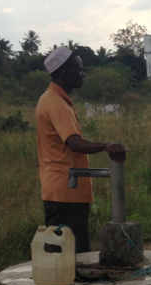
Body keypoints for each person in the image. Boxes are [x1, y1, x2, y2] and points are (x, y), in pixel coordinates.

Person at [36, 47, 127, 253]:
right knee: (68, 258)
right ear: (65, 73)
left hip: (66, 188)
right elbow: (74, 143)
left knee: (69, 255)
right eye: (80, 70)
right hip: (64, 190)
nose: (83, 75)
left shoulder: (57, 100)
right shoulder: (55, 102)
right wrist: (106, 146)